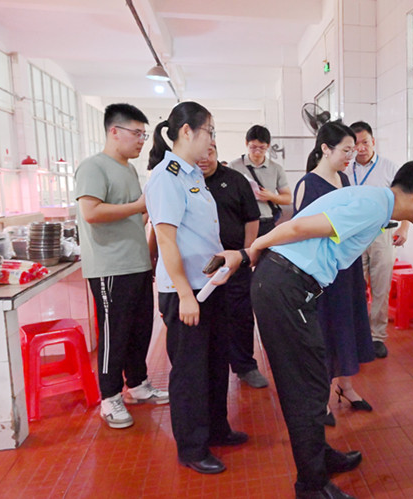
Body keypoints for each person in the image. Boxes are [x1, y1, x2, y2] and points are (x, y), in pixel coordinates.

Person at [217, 160, 413, 499]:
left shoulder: (375, 203)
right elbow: (299, 227)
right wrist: (252, 248)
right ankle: (311, 486)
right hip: (286, 286)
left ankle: (320, 457)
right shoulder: (374, 205)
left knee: (313, 382)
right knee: (305, 389)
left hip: (289, 285)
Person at [145, 102, 247, 475]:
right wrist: (186, 294)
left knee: (216, 362)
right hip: (186, 293)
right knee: (190, 371)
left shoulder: (192, 174)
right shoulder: (166, 176)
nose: (212, 140)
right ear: (187, 131)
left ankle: (217, 428)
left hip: (210, 285)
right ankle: (191, 447)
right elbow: (166, 239)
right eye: (209, 132)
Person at [74, 103, 168, 430]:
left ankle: (138, 385)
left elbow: (132, 216)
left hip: (136, 262)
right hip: (110, 266)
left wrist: (147, 213)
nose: (142, 140)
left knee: (140, 328)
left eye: (144, 134)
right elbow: (91, 212)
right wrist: (139, 206)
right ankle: (110, 396)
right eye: (137, 133)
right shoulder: (93, 167)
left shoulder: (128, 170)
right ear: (114, 131)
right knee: (114, 333)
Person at [292, 123, 374, 427]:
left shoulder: (344, 179)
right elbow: (300, 232)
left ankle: (346, 385)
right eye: (346, 150)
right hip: (323, 270)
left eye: (354, 150)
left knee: (346, 323)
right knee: (324, 329)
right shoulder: (307, 184)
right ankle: (323, 396)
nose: (351, 156)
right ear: (325, 149)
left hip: (347, 266)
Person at [197, 145, 268, 389]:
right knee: (203, 317)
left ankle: (245, 366)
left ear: (217, 152)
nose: (204, 159)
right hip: (199, 266)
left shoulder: (236, 180)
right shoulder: (186, 182)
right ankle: (205, 369)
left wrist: (246, 254)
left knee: (240, 316)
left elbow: (252, 219)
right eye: (200, 153)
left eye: (210, 153)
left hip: (234, 263)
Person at [346, 121, 409, 359]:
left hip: (383, 233)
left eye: (365, 142)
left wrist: (404, 228)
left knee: (381, 287)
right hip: (353, 235)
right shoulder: (345, 169)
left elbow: (405, 200)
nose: (361, 148)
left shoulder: (389, 168)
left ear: (373, 142)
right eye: (356, 144)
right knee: (355, 287)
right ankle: (357, 334)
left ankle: (377, 336)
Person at [229, 125, 291, 236]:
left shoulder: (276, 168)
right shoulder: (234, 166)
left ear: (268, 145)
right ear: (246, 143)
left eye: (262, 148)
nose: (257, 152)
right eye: (253, 147)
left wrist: (271, 196)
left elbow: (287, 198)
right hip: (242, 221)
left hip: (266, 221)